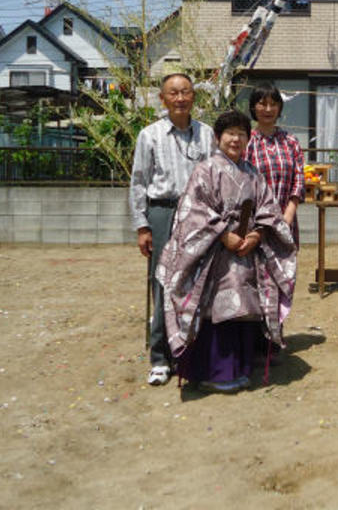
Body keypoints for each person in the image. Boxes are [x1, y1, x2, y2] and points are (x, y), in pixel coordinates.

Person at [156, 110, 296, 392]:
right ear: (218, 138)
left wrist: (257, 235)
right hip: (213, 253)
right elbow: (194, 211)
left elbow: (268, 208)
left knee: (245, 305)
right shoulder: (205, 170)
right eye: (230, 133)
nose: (236, 139)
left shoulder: (252, 173)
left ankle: (241, 367)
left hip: (246, 250)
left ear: (248, 139)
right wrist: (223, 235)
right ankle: (213, 372)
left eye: (242, 134)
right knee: (214, 309)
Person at [129, 73, 215, 387]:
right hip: (162, 211)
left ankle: (189, 354)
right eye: (173, 93)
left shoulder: (207, 135)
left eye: (186, 92)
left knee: (197, 282)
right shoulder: (149, 135)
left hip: (198, 213)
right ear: (163, 99)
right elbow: (138, 182)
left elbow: (215, 177)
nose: (180, 98)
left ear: (194, 97)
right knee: (163, 283)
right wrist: (142, 225)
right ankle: (160, 357)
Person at [244, 82, 305, 247]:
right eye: (262, 104)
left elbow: (298, 181)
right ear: (253, 107)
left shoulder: (290, 141)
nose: (268, 109)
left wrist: (288, 215)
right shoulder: (246, 141)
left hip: (285, 219)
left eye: (273, 104)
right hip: (254, 224)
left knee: (284, 270)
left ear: (279, 108)